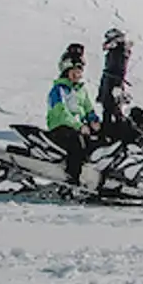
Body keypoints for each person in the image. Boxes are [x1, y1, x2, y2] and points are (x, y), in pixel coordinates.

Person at [45, 55, 95, 186]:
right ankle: (72, 180)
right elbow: (61, 113)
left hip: (78, 128)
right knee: (77, 143)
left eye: (79, 72)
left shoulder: (81, 90)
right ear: (66, 72)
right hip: (60, 128)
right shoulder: (58, 90)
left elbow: (88, 108)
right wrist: (79, 126)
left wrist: (94, 121)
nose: (77, 75)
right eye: (74, 72)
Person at [97, 28, 132, 125]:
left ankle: (110, 129)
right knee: (110, 108)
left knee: (111, 108)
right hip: (111, 81)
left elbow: (117, 69)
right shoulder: (117, 52)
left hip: (112, 82)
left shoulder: (118, 52)